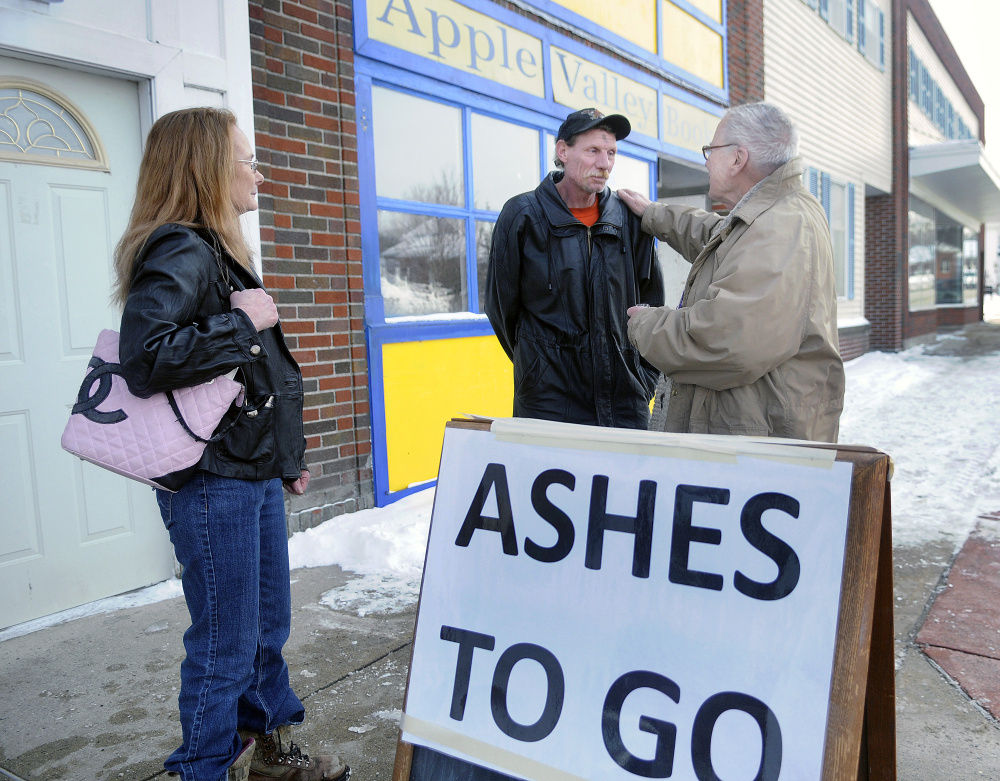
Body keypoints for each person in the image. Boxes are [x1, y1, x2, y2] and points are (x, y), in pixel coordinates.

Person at [114, 108, 349, 781]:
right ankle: (203, 769)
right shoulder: (179, 247)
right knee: (226, 639)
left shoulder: (219, 253)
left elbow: (254, 378)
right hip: (210, 479)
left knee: (265, 625)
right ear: (208, 167)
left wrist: (287, 454)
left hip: (247, 471)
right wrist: (240, 321)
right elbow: (146, 355)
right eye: (247, 159)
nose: (259, 171)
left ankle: (269, 750)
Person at [618, 102, 844, 442]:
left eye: (711, 150)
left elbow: (722, 342)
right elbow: (721, 236)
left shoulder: (780, 227)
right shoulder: (773, 214)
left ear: (738, 159)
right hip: (750, 434)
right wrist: (655, 215)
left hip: (754, 451)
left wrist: (643, 322)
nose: (706, 161)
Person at [485, 107, 664, 429]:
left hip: (624, 399)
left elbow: (652, 305)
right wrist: (537, 367)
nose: (604, 163)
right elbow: (502, 309)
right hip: (548, 402)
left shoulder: (630, 220)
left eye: (611, 152)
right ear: (563, 151)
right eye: (593, 150)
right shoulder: (522, 215)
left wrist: (643, 378)